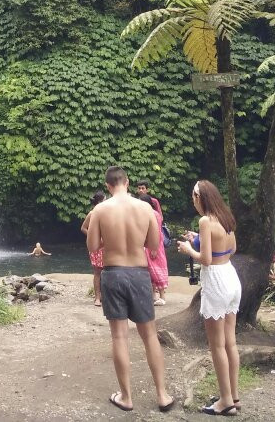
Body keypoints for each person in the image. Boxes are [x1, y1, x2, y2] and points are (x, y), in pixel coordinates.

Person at [88, 166, 175, 413]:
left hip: (113, 274)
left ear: (108, 186)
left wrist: (109, 239)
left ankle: (126, 397)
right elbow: (155, 247)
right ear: (127, 182)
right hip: (139, 274)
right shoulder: (145, 208)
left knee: (119, 337)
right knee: (149, 335)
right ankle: (162, 395)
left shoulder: (100, 210)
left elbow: (93, 246)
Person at [178, 180, 241, 416]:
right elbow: (231, 249)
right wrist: (199, 238)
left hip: (215, 281)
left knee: (216, 346)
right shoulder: (225, 218)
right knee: (230, 342)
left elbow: (204, 259)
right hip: (231, 278)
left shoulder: (205, 220)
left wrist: (188, 249)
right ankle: (233, 395)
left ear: (199, 198)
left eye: (193, 198)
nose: (193, 202)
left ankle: (225, 401)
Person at [138, 193, 169, 305]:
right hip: (147, 245)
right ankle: (153, 295)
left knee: (157, 268)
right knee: (150, 270)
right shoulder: (145, 213)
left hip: (155, 245)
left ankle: (162, 296)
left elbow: (157, 232)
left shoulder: (155, 214)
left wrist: (154, 248)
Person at [81, 190, 106, 306]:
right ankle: (97, 297)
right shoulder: (92, 213)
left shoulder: (107, 212)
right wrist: (94, 236)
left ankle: (105, 296)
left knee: (108, 271)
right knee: (97, 272)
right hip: (96, 246)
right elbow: (83, 228)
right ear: (101, 201)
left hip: (107, 245)